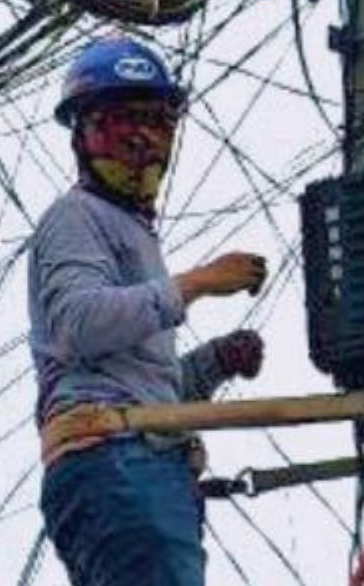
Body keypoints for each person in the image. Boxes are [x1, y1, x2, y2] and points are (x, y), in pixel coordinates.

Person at [31, 35, 269, 586]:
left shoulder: (129, 231)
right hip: (112, 458)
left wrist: (214, 363)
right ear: (83, 134)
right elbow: (80, 324)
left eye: (157, 123)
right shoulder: (76, 216)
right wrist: (199, 282)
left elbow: (136, 383)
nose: (142, 140)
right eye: (121, 123)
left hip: (138, 460)